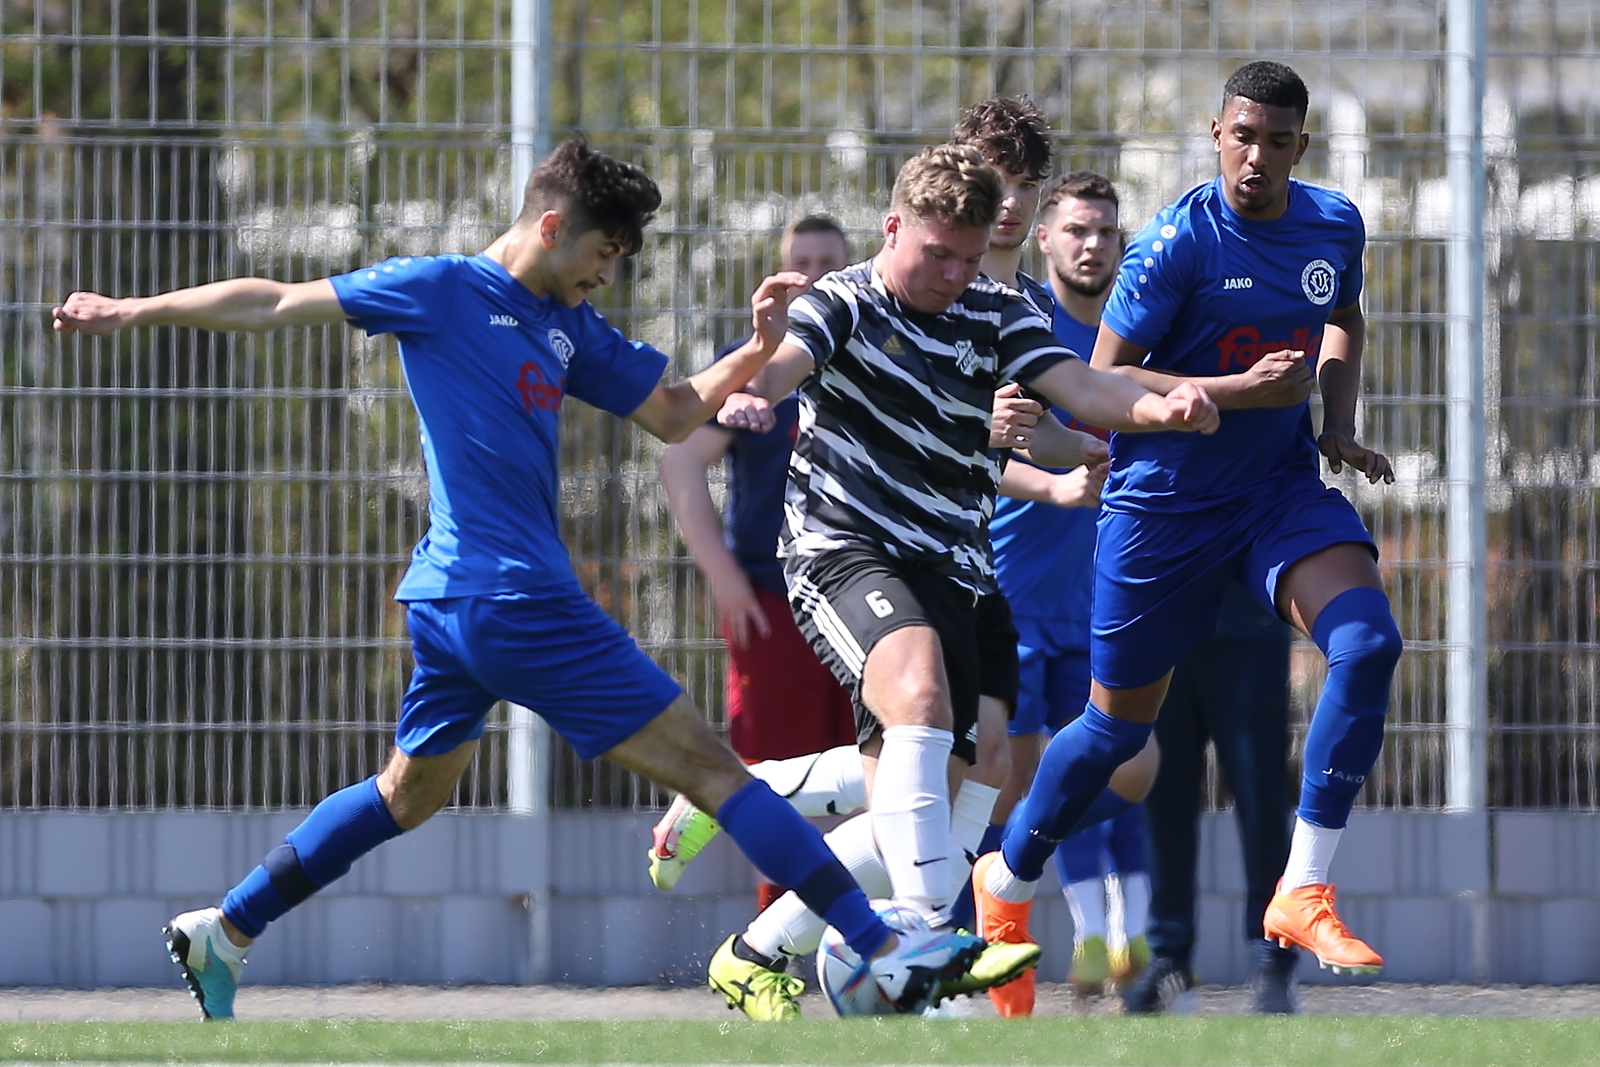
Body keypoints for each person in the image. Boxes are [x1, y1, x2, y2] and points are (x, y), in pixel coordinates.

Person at [53, 138, 1003, 1022]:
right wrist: (133, 310)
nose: (607, 275)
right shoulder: (439, 289)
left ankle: (226, 928)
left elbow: (674, 414)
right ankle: (885, 947)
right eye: (603, 253)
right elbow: (275, 300)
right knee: (715, 771)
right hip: (513, 598)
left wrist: (757, 348)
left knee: (407, 794)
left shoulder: (567, 327)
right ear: (552, 226)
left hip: (454, 604)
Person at [703, 141, 1218, 1020]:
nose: (952, 274)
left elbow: (1079, 386)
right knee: (920, 695)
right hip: (845, 550)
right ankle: (921, 935)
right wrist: (759, 385)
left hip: (959, 570)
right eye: (937, 254)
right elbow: (787, 363)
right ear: (892, 227)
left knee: (963, 787)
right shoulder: (845, 300)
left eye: (968, 258)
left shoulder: (995, 308)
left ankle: (757, 940)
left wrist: (1156, 407)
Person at [973, 60, 1401, 983]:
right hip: (1162, 506)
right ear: (1217, 134)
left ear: (1301, 146)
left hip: (1274, 493)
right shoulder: (1176, 243)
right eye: (1242, 137)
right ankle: (1004, 876)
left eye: (1276, 142)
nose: (1256, 158)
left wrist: (1337, 420)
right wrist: (1234, 390)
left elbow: (1344, 318)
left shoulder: (1334, 224)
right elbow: (1100, 378)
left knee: (1368, 643)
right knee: (1116, 735)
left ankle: (1303, 888)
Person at [948, 135, 1159, 1014]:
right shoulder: (1007, 320)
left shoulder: (1126, 336)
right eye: (1078, 228)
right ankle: (976, 958)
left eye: (1106, 231)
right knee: (995, 785)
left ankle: (1103, 932)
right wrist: (1057, 478)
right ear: (1045, 237)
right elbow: (981, 447)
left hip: (1093, 599)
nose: (1093, 244)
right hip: (1008, 598)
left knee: (1130, 765)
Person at [652, 217, 860, 910]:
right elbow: (681, 462)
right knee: (774, 771)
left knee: (879, 775)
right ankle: (776, 939)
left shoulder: (874, 354)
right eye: (801, 262)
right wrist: (724, 575)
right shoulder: (750, 367)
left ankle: (871, 939)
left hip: (867, 600)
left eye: (829, 262)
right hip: (775, 604)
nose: (814, 274)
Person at [1122, 582, 1302, 1015]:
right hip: (1163, 627)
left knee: (1262, 800)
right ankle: (1169, 957)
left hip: (1249, 627)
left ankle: (1273, 956)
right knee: (1163, 803)